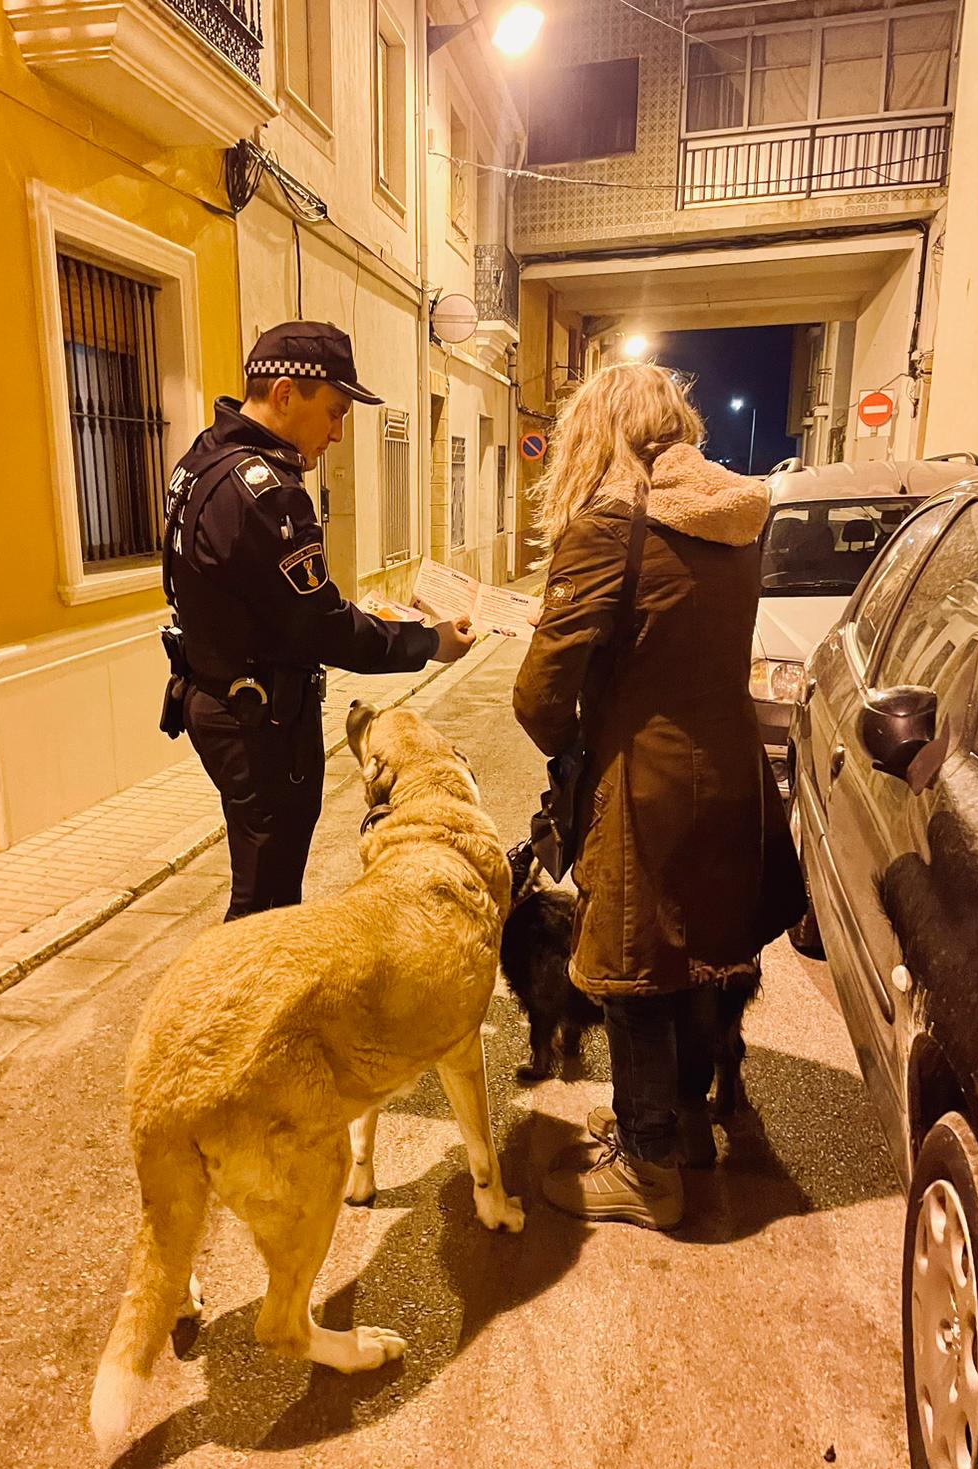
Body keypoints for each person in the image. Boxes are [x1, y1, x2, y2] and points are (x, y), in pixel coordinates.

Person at [511, 364, 806, 1230]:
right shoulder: (737, 522)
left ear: (597, 432)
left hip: (644, 781)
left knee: (633, 965)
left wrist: (572, 754)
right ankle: (679, 1126)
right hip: (733, 775)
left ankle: (646, 1168)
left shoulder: (611, 526)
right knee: (699, 951)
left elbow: (537, 695)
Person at [163, 320, 473, 920]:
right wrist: (427, 642)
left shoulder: (205, 458)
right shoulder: (268, 493)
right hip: (261, 719)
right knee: (269, 902)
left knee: (261, 881)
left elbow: (269, 602)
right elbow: (321, 626)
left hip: (216, 696)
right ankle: (245, 1009)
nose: (335, 434)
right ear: (284, 394)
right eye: (332, 413)